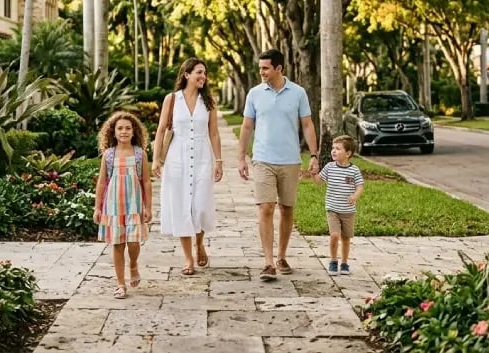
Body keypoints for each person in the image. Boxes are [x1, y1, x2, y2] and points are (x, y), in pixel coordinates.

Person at [237, 49, 319, 281]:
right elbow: (246, 126)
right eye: (260, 68)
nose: (261, 72)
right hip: (262, 159)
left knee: (286, 209)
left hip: (290, 160)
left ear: (279, 69)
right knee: (266, 208)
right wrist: (241, 157)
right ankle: (268, 262)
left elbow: (307, 124)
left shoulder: (298, 93)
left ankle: (282, 256)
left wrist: (314, 155)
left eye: (265, 68)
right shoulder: (254, 93)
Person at [153, 58, 224, 276]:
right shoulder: (172, 99)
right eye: (199, 73)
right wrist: (156, 159)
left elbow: (213, 132)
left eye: (205, 73)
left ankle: (199, 243)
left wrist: (219, 161)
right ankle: (188, 258)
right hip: (177, 157)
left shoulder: (209, 101)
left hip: (202, 157)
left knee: (201, 206)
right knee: (182, 206)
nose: (203, 77)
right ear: (187, 74)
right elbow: (162, 129)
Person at [94, 111, 153, 299]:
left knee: (134, 242)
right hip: (113, 208)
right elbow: (102, 182)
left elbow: (146, 182)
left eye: (128, 128)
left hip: (134, 206)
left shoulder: (139, 154)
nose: (124, 131)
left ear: (134, 131)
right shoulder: (109, 155)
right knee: (118, 244)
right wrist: (97, 207)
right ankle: (120, 284)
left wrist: (148, 207)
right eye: (120, 128)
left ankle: (133, 264)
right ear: (113, 132)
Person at [311, 135, 364, 276]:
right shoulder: (329, 167)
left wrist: (355, 196)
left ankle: (345, 262)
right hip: (332, 209)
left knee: (346, 238)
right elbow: (320, 182)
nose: (333, 151)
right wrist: (313, 174)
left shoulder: (354, 170)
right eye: (333, 148)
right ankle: (333, 261)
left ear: (348, 153)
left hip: (348, 211)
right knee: (335, 235)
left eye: (338, 149)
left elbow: (360, 186)